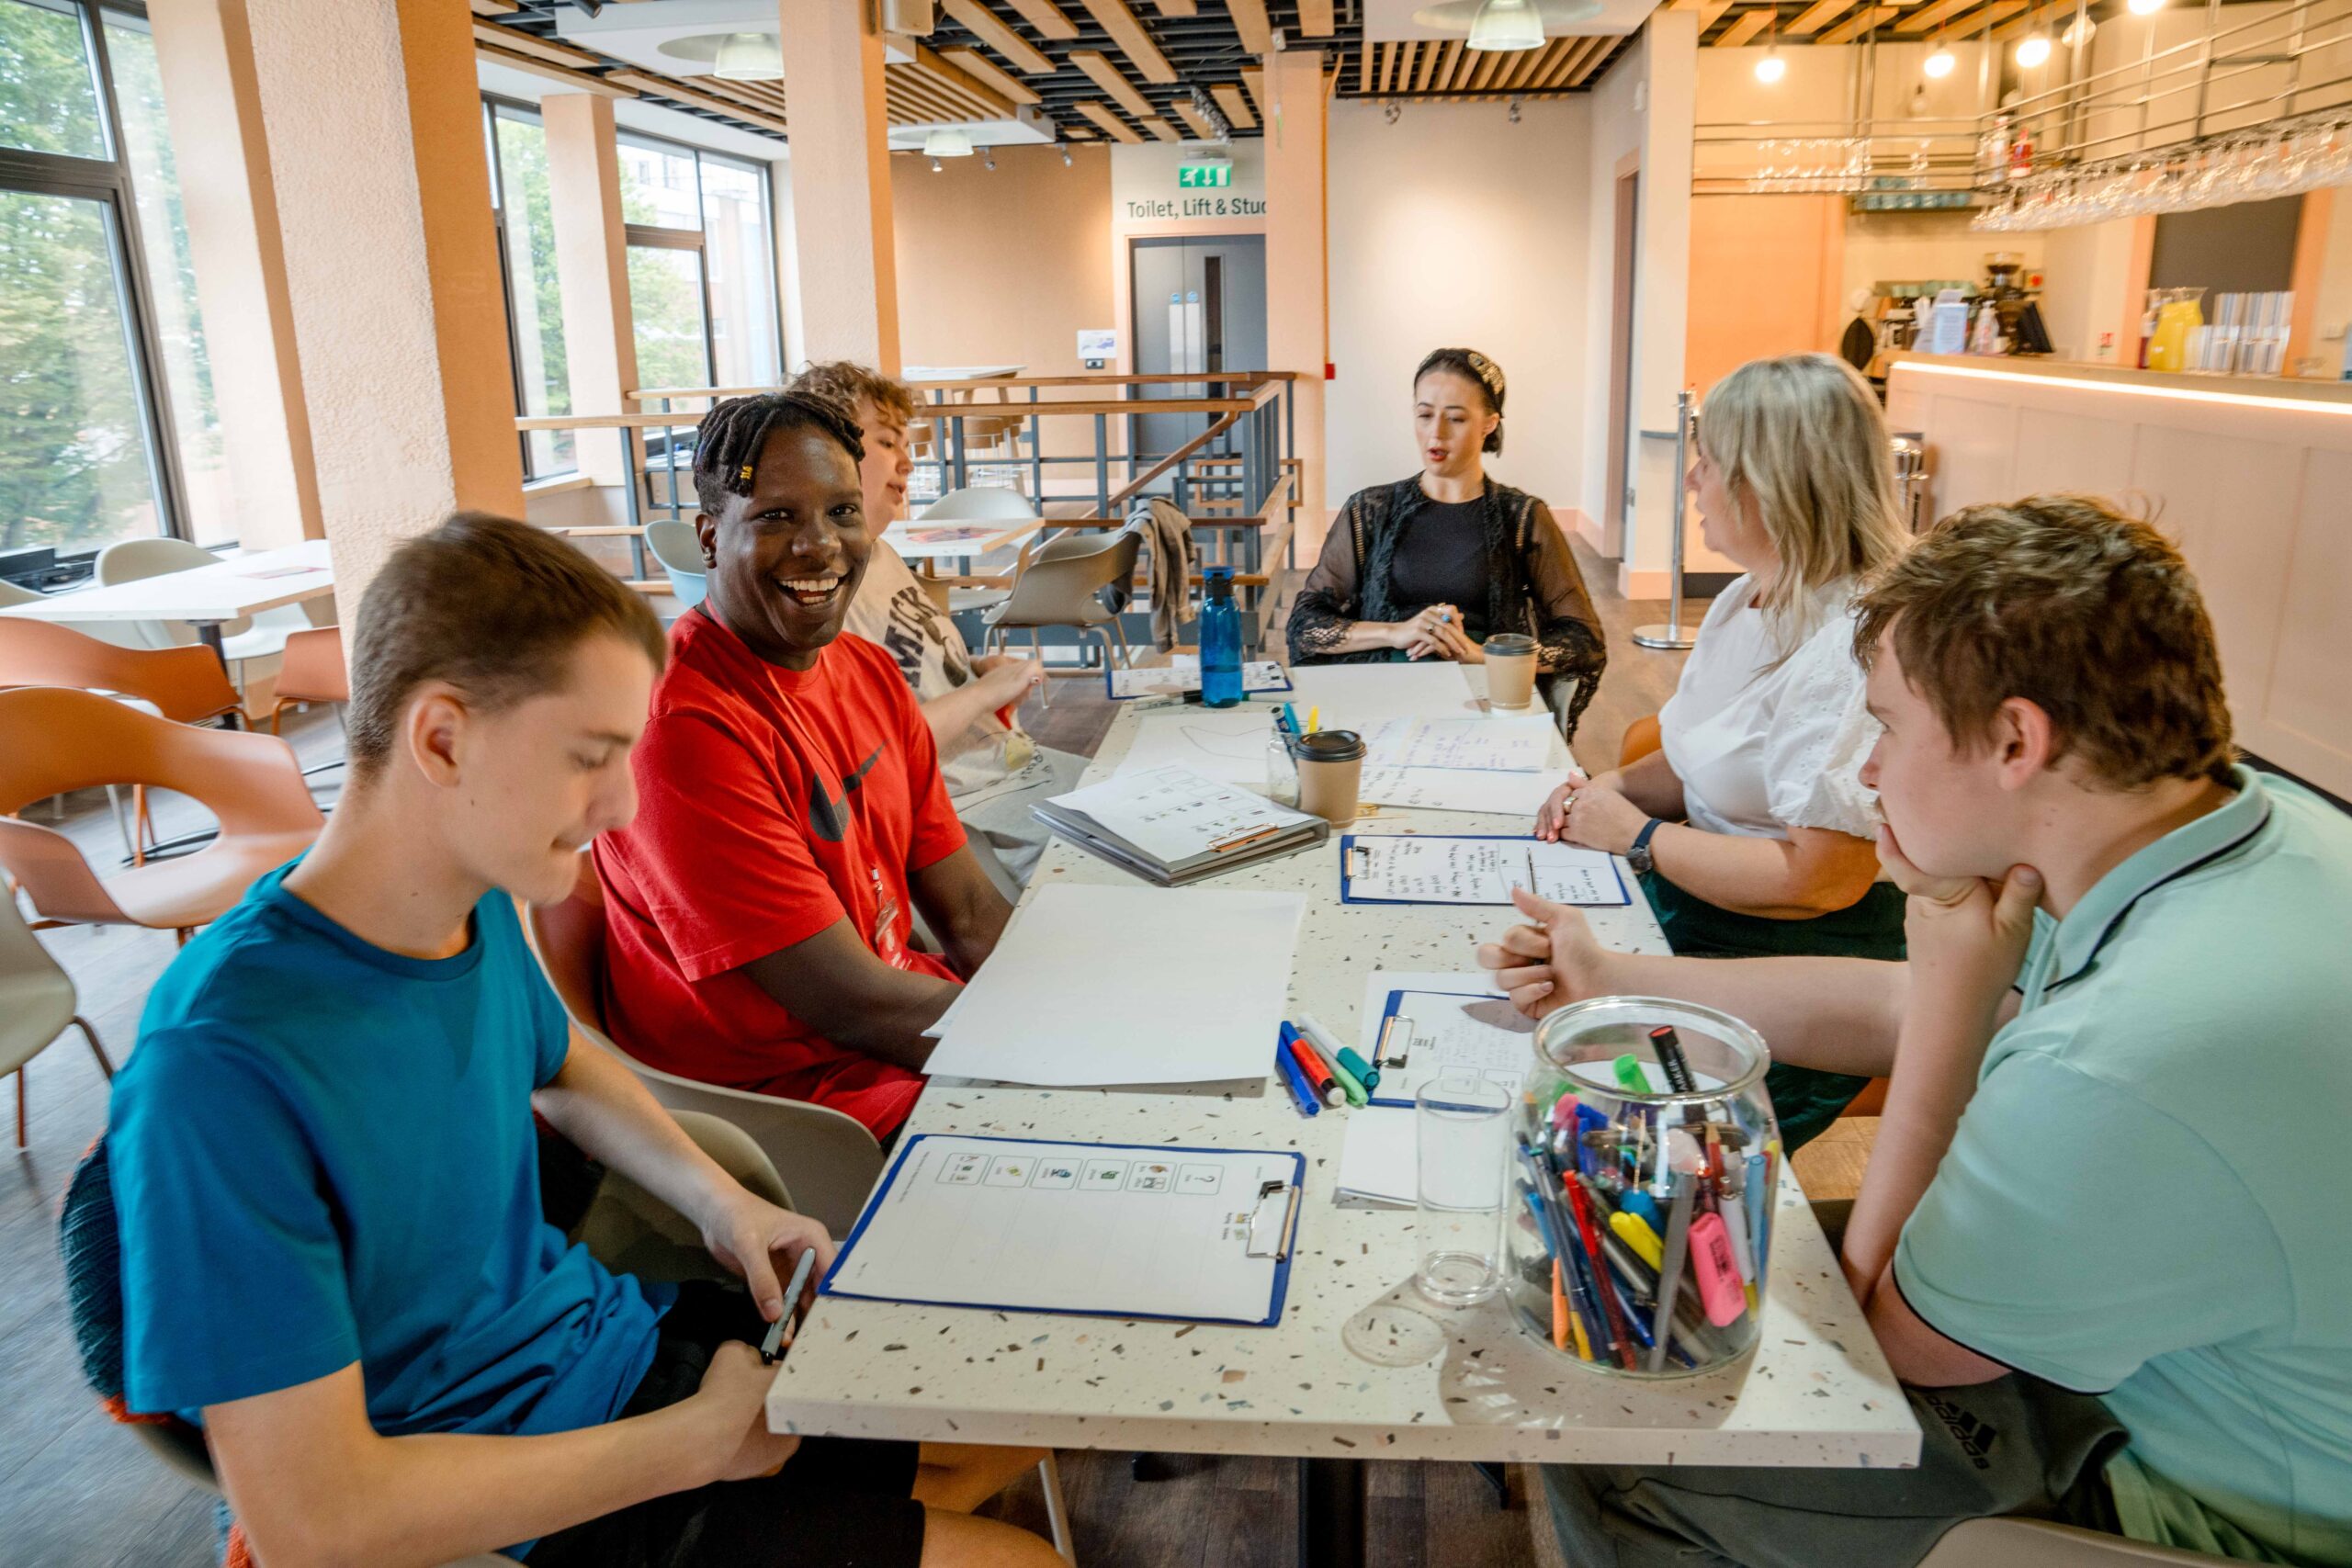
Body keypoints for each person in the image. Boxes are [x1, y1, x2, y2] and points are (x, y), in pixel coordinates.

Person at [107, 513, 1060, 1568]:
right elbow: (316, 1523)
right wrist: (688, 1446)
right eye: (592, 759)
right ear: (441, 739)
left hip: (621, 1362)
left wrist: (727, 1204)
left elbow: (564, 1064)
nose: (623, 806)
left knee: (1010, 1419)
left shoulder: (459, 909)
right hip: (499, 1500)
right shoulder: (222, 1066)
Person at [1481, 496, 2352, 1568]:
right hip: (2167, 1354)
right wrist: (1614, 980)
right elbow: (1900, 1009)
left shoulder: (2124, 1062)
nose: (1869, 775)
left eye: (1887, 726)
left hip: (2176, 1488)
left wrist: (1944, 976)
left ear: (2015, 740)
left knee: (1618, 1409)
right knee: (1703, 1254)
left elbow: (1892, 1337)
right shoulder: (2219, 827)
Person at [595, 393, 1015, 1145]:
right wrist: (1059, 1038)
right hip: (791, 1104)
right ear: (709, 539)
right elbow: (852, 1004)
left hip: (886, 1034)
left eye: (842, 512)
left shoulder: (867, 672)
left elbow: (971, 914)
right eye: (775, 517)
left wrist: (1077, 998)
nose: (819, 545)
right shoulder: (680, 729)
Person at [1532, 353, 1911, 1148]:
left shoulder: (1853, 641)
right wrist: (1597, 788)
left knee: (1619, 1133)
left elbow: (1820, 881)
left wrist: (1634, 835)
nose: (1694, 476)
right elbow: (1691, 756)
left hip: (1798, 957)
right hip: (1700, 903)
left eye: (1713, 460)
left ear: (1773, 482)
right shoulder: (1747, 593)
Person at [789, 361, 1089, 892]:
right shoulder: (819, 592)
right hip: (969, 806)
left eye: (906, 443)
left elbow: (907, 669)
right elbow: (881, 752)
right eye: (886, 441)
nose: (907, 460)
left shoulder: (880, 554)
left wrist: (972, 671)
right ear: (824, 450)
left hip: (1008, 764)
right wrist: (986, 693)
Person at [1286, 346, 1608, 735]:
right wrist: (1398, 631)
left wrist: (1484, 654)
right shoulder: (1370, 510)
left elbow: (1582, 639)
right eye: (1424, 415)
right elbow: (1306, 625)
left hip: (1483, 702)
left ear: (1489, 423)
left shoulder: (1521, 517)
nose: (1435, 433)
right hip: (1379, 699)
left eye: (1455, 418)